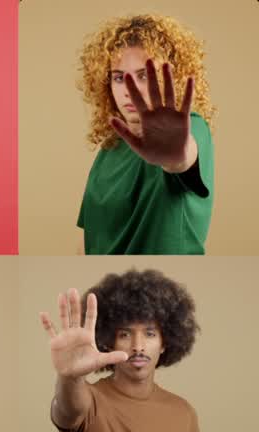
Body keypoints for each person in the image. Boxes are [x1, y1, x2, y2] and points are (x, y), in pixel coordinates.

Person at [40, 270, 200, 432]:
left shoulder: (184, 412)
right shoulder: (90, 400)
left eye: (149, 333)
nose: (138, 346)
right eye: (125, 334)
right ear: (109, 341)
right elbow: (66, 410)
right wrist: (68, 376)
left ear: (165, 342)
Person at [76, 14, 215, 255]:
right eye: (119, 78)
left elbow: (184, 157)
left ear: (173, 77)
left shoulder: (190, 127)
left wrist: (177, 160)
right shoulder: (112, 145)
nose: (130, 90)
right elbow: (89, 237)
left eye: (144, 75)